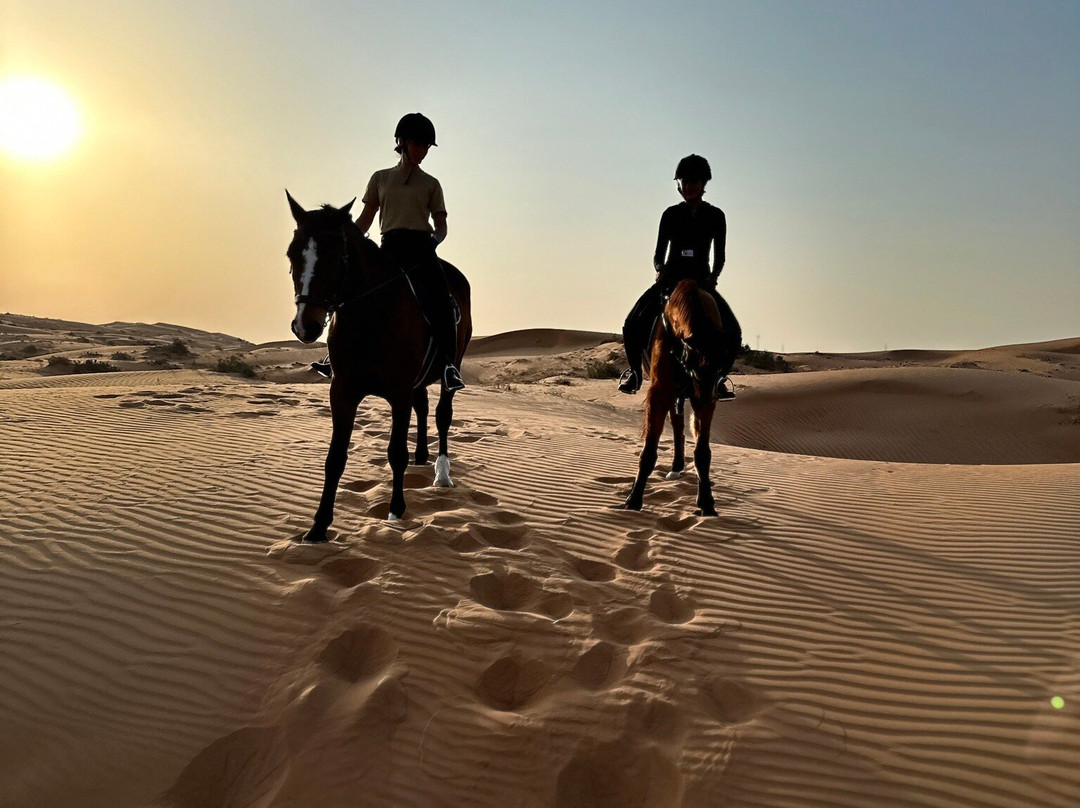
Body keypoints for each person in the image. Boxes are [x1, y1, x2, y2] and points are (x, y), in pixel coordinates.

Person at [312, 112, 465, 392]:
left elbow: (441, 225)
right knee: (350, 290)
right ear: (402, 142)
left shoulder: (431, 184)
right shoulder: (380, 178)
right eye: (418, 144)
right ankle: (331, 356)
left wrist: (435, 241)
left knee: (443, 302)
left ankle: (447, 366)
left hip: (421, 250)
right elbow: (366, 219)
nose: (422, 151)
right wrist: (348, 243)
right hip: (388, 248)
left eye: (427, 147)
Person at [618, 154, 741, 398]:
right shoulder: (670, 215)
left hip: (701, 283)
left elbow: (720, 256)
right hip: (671, 281)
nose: (688, 186)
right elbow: (657, 254)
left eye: (693, 181)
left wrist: (714, 277)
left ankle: (719, 379)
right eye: (684, 181)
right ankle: (635, 374)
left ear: (704, 183)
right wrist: (660, 270)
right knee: (631, 323)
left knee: (734, 331)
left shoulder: (716, 216)